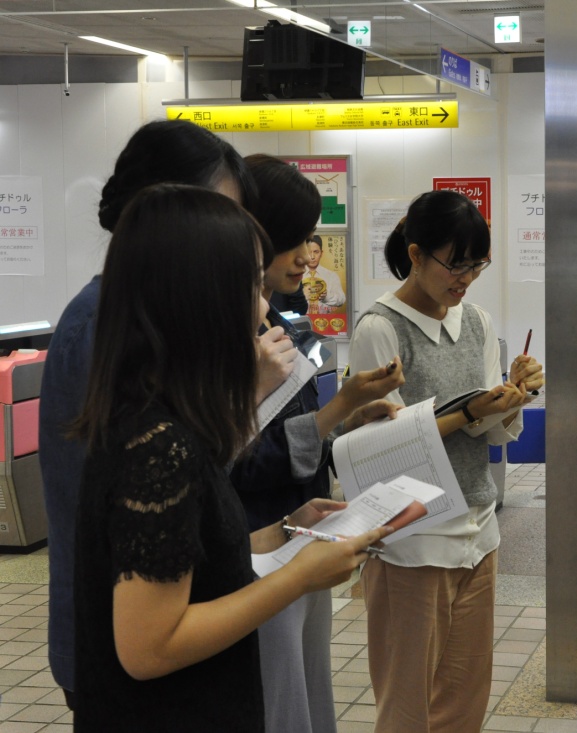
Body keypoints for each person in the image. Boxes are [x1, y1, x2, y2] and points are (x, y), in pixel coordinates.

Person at [70, 184, 390, 731]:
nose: (263, 306)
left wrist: (285, 533)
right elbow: (150, 646)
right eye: (250, 285)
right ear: (200, 299)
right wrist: (297, 577)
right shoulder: (159, 445)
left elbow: (187, 562)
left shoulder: (158, 421)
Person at [36, 119, 290, 710]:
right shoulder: (101, 329)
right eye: (214, 213)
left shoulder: (145, 332)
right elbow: (139, 510)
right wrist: (247, 397)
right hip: (126, 645)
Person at [347, 189, 544, 733]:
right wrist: (469, 411)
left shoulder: (475, 321)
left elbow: (492, 434)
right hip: (412, 540)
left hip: (478, 531)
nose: (466, 279)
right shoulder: (380, 328)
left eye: (477, 266)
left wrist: (512, 397)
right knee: (407, 705)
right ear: (415, 255)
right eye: (455, 265)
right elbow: (382, 448)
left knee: (463, 701)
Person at [234, 153, 404, 733]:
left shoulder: (276, 322)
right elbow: (240, 462)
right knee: (280, 702)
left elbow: (293, 436)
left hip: (299, 535)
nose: (310, 256)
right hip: (254, 554)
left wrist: (346, 422)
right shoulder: (223, 339)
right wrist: (339, 406)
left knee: (307, 693)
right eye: (298, 240)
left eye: (313, 239)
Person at [304, 234, 347, 309]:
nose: (312, 257)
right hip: (301, 316)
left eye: (316, 252)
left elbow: (341, 299)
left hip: (326, 316)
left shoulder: (331, 276)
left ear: (321, 253)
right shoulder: (296, 275)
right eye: (308, 252)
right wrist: (302, 296)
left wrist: (327, 297)